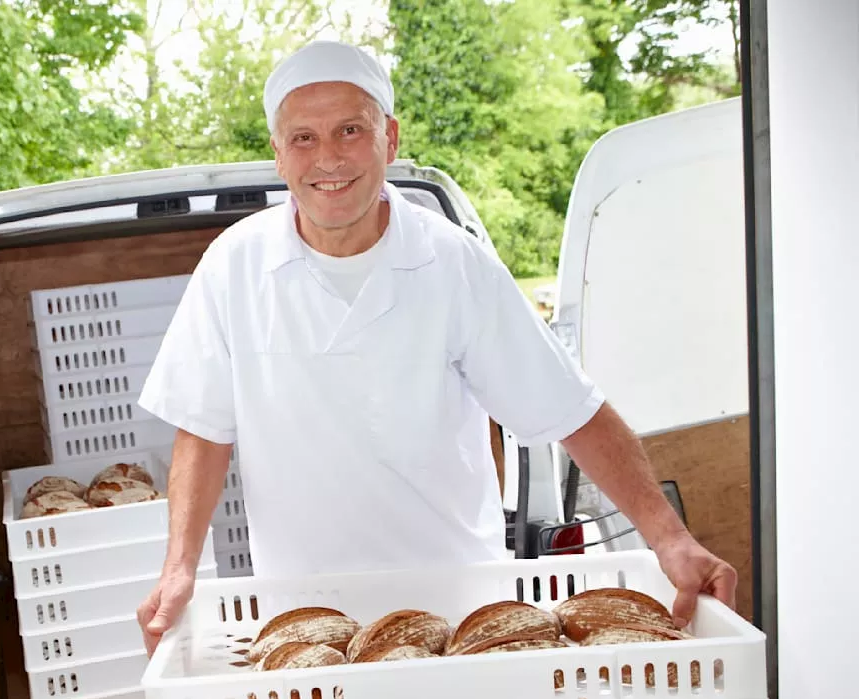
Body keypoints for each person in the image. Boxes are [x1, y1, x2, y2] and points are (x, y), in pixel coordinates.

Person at [134, 40, 736, 655]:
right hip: (305, 625)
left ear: (389, 139)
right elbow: (203, 430)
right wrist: (179, 568)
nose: (329, 158)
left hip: (458, 620)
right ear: (279, 156)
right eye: (304, 138)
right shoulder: (234, 266)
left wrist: (669, 538)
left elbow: (569, 411)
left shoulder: (453, 263)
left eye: (350, 130)